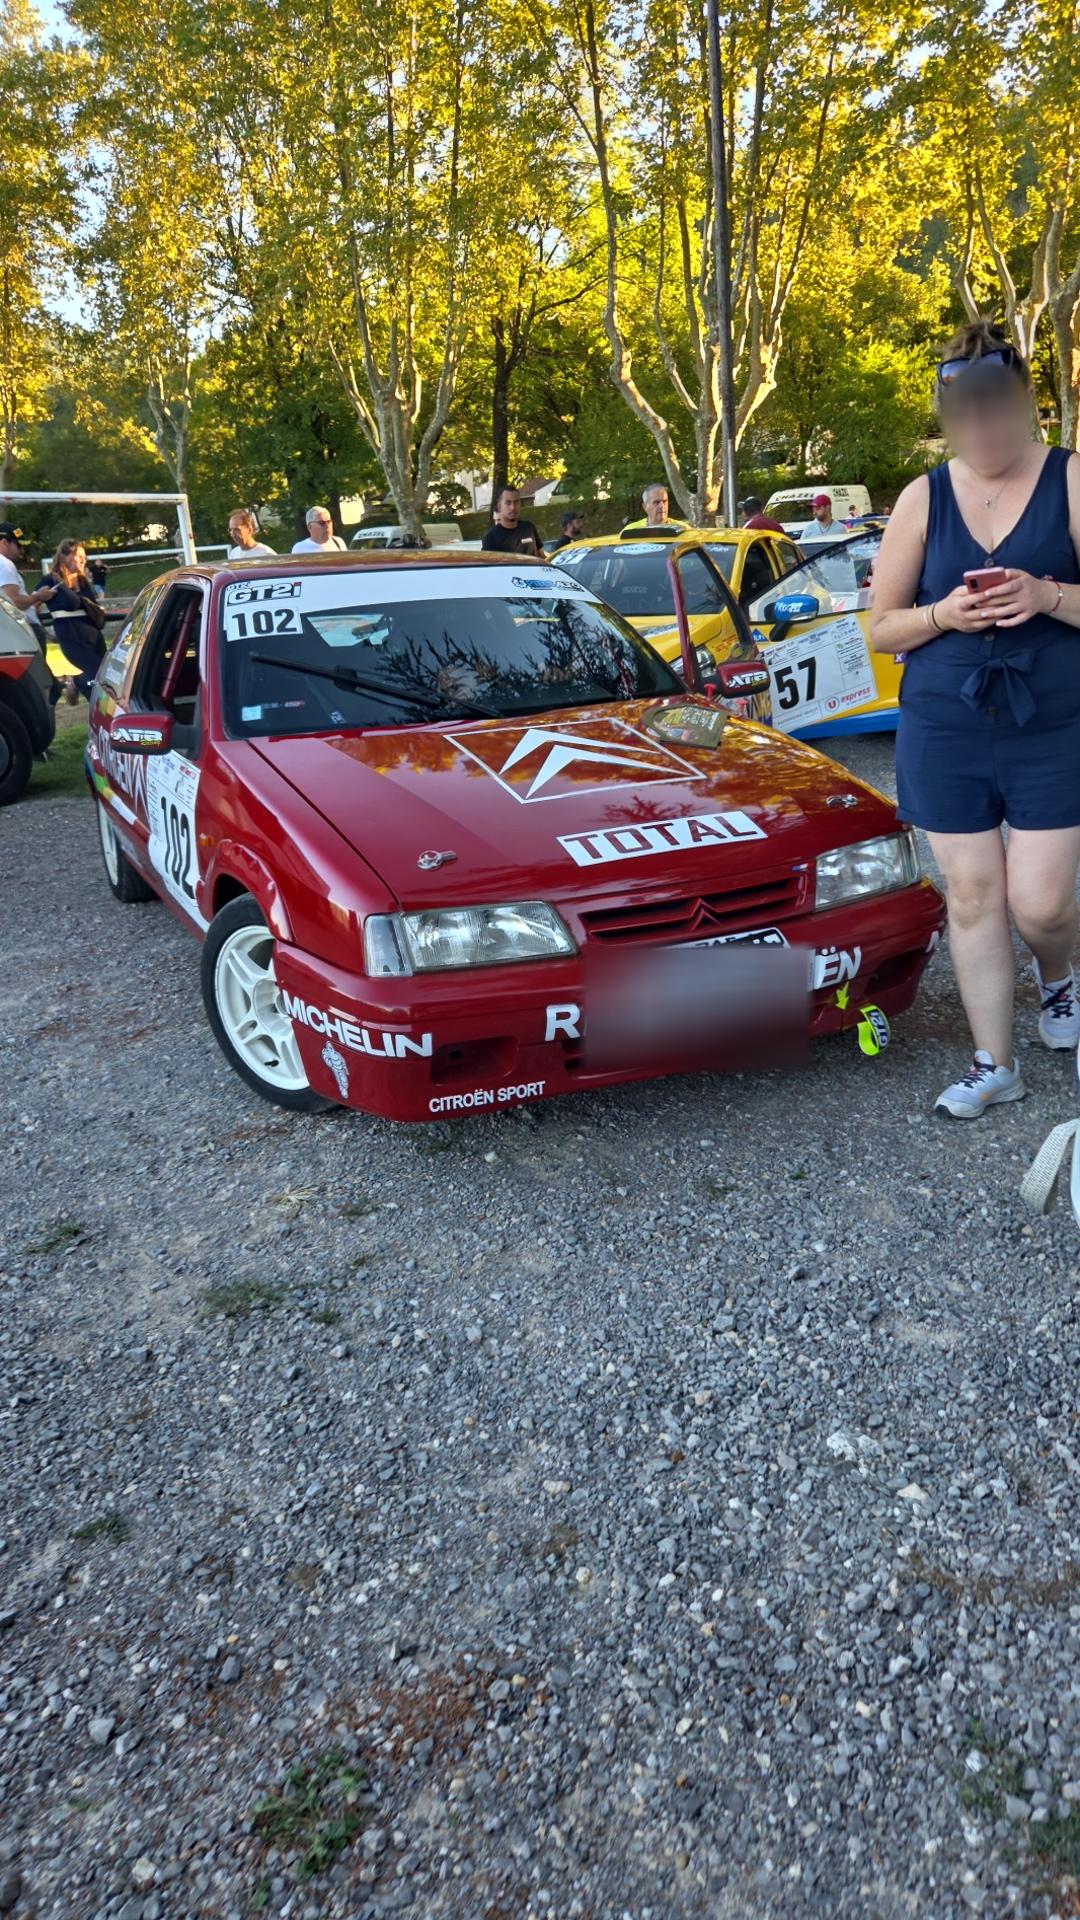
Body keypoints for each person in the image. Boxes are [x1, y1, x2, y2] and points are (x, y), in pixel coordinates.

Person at [870, 317, 1080, 1120]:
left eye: (998, 410)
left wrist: (1047, 595)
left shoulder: (1069, 478)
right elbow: (881, 627)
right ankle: (995, 1063)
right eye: (967, 416)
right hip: (946, 726)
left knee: (1041, 904)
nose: (984, 429)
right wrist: (944, 617)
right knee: (972, 895)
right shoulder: (922, 497)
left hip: (1054, 724)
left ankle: (1057, 979)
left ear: (1029, 401)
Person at [39, 538, 108, 703]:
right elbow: (31, 606)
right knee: (96, 677)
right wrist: (46, 634)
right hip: (71, 636)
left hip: (93, 634)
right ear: (66, 556)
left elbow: (92, 605)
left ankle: (77, 682)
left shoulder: (82, 580)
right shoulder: (51, 580)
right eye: (79, 556)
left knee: (108, 676)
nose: (84, 560)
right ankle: (81, 686)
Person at [0, 523, 55, 630]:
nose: (22, 550)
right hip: (22, 629)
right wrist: (39, 596)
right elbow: (15, 602)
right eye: (19, 545)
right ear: (4, 543)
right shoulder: (5, 564)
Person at [481, 487, 546, 557]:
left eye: (516, 502)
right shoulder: (491, 537)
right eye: (508, 503)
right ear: (499, 506)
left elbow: (542, 556)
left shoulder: (529, 528)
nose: (513, 507)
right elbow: (487, 564)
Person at [622, 483, 688, 532]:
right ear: (645, 506)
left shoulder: (682, 529)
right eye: (656, 502)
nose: (662, 506)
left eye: (664, 501)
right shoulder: (630, 531)